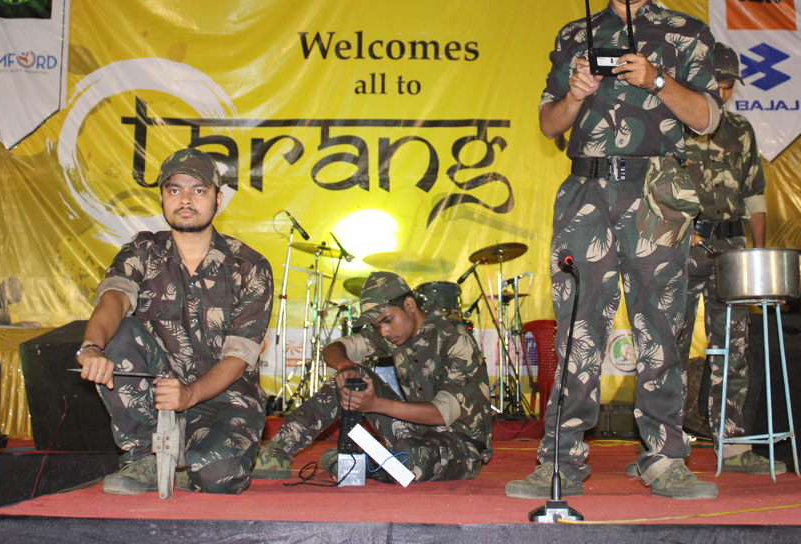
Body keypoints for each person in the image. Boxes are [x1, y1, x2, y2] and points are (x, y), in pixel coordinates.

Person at [506, 0, 722, 501]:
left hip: (656, 195)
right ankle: (560, 462)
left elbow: (707, 119)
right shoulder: (575, 35)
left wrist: (657, 80)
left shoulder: (686, 34)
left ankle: (665, 461)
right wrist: (574, 96)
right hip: (585, 193)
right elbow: (548, 124)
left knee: (660, 328)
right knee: (578, 326)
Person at [75, 147, 273, 494]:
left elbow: (238, 358)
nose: (186, 200)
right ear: (162, 198)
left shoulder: (250, 267)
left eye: (199, 190)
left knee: (217, 477)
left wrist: (190, 395)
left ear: (218, 199)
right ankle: (144, 456)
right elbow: (114, 299)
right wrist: (91, 347)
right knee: (120, 332)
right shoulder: (141, 252)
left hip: (226, 397)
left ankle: (186, 455)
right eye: (175, 190)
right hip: (159, 393)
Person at [253, 271, 492, 482]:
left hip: (460, 447)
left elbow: (441, 413)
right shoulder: (396, 334)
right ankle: (276, 451)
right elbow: (334, 348)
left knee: (408, 458)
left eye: (387, 321)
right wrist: (346, 366)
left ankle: (356, 462)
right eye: (378, 326)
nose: (384, 332)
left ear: (409, 305)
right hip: (417, 430)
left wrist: (375, 404)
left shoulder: (454, 339)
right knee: (352, 378)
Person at [675, 42, 782, 474]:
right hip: (683, 246)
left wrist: (757, 252)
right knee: (671, 345)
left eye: (729, 84)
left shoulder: (740, 129)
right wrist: (676, 234)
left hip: (731, 249)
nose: (724, 91)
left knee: (733, 346)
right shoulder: (674, 123)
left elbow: (754, 195)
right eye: (717, 83)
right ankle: (665, 449)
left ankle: (733, 446)